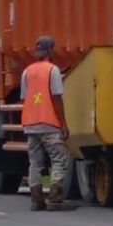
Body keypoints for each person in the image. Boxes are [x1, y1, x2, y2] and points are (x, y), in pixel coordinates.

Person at [21, 36, 75, 211]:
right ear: (51, 50)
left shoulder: (26, 71)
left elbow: (25, 97)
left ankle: (36, 200)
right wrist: (64, 124)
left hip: (30, 123)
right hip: (49, 123)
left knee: (34, 163)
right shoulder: (53, 70)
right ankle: (55, 199)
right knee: (59, 159)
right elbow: (56, 97)